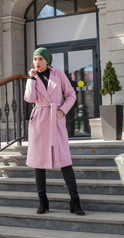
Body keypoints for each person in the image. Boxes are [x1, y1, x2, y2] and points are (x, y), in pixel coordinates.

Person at [24, 47, 85, 216]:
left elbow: (71, 94)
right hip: (39, 121)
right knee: (38, 163)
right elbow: (29, 98)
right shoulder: (33, 77)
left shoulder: (58, 74)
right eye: (35, 59)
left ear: (47, 60)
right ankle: (43, 201)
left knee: (65, 160)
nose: (37, 62)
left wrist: (62, 110)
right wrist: (31, 78)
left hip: (56, 119)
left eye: (40, 59)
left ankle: (75, 200)